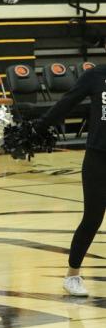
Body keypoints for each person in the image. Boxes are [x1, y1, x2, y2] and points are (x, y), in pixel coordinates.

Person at [34, 63, 106, 296]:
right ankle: (72, 276)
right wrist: (38, 127)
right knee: (92, 218)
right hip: (98, 157)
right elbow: (67, 101)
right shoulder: (96, 75)